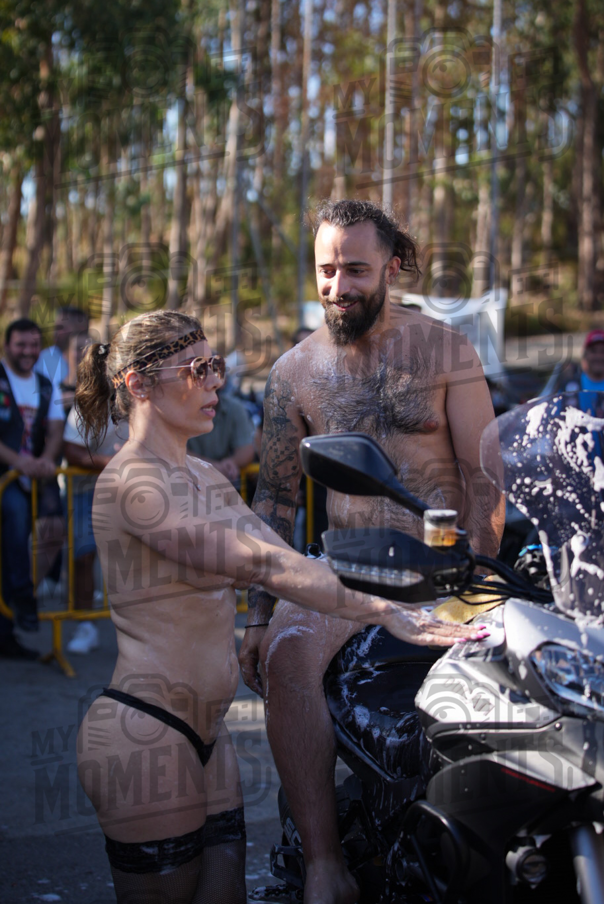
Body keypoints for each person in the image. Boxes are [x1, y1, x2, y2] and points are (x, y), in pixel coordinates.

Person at [74, 309, 484, 904]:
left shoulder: (205, 477)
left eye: (216, 366)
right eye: (198, 369)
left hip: (209, 738)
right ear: (138, 383)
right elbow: (259, 566)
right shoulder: (131, 483)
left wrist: (412, 586)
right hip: (145, 732)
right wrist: (381, 609)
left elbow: (289, 560)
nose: (216, 381)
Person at [239, 199, 505, 904]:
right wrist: (255, 614)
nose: (337, 286)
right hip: (349, 569)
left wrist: (475, 579)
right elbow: (275, 500)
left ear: (391, 266)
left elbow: (485, 479)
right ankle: (325, 864)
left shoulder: (448, 351)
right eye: (326, 270)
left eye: (354, 269)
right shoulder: (293, 372)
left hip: (445, 564)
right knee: (289, 650)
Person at [0, 318, 65, 658]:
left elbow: (55, 428)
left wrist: (45, 459)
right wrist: (18, 461)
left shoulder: (44, 383)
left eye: (33, 345)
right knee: (14, 519)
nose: (27, 351)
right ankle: (22, 601)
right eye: (20, 345)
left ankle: (22, 601)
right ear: (7, 345)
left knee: (55, 526)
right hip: (6, 477)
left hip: (37, 474)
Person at [62, 400, 127, 654]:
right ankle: (84, 626)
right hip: (84, 489)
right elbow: (72, 451)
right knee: (84, 556)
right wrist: (110, 461)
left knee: (137, 560)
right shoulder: (87, 404)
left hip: (129, 488)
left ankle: (140, 629)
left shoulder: (145, 395)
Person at [187, 385, 256, 484]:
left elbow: (247, 449)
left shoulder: (234, 408)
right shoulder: (182, 411)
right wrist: (212, 466)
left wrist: (229, 463)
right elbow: (174, 449)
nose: (215, 381)